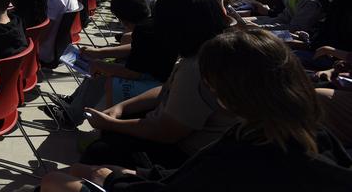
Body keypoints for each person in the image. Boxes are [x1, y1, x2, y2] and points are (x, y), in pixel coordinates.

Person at [44, 29, 352, 192]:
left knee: (56, 180)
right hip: (172, 172)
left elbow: (176, 151)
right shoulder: (313, 136)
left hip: (168, 169)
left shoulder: (247, 154)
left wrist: (113, 179)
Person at [80, 0, 233, 169]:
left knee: (99, 151)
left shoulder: (196, 69)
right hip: (181, 135)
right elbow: (166, 89)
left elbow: (167, 132)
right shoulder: (207, 52)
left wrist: (112, 124)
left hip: (187, 156)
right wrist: (122, 107)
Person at [47, 0, 177, 126]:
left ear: (123, 19)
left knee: (102, 74)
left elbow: (133, 73)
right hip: (158, 75)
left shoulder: (144, 31)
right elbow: (136, 49)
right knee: (102, 64)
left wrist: (100, 65)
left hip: (155, 82)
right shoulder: (153, 25)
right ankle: (74, 101)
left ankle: (71, 117)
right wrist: (100, 53)